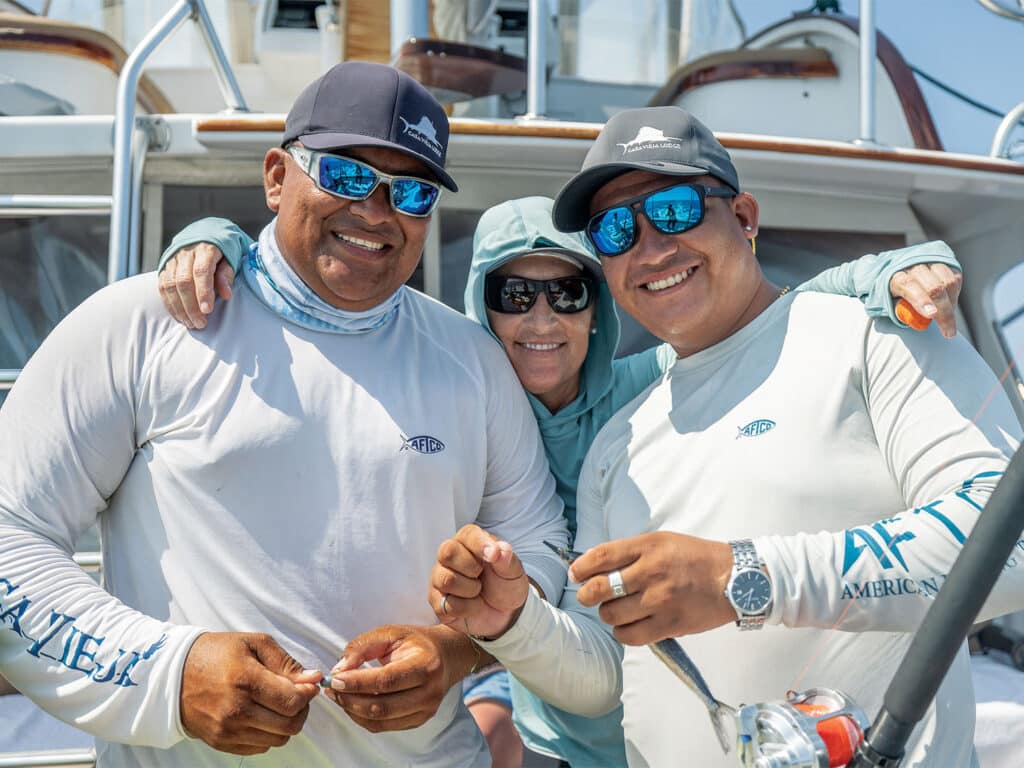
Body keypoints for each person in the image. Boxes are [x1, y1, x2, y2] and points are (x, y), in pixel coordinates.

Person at [159, 193, 962, 768]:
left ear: (596, 309)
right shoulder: (451, 408)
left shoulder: (647, 385)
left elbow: (777, 311)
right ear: (482, 308)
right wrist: (221, 239)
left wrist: (891, 270)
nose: (541, 320)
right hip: (552, 725)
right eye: (514, 295)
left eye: (567, 292)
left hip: (697, 729)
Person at [0, 61, 568, 768]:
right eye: (347, 175)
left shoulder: (473, 360)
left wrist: (452, 654)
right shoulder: (144, 323)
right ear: (276, 176)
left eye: (412, 192)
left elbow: (541, 545)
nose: (376, 211)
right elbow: (10, 532)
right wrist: (172, 674)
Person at [430, 106, 1024, 768]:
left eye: (678, 209)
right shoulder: (619, 440)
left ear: (744, 217)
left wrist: (741, 577)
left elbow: (1012, 541)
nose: (652, 247)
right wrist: (514, 623)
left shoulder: (879, 333)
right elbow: (604, 679)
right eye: (617, 229)